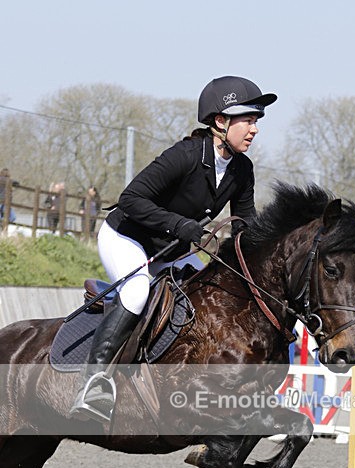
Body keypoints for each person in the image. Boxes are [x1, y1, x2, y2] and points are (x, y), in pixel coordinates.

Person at [70, 75, 277, 422]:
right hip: (129, 237)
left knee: (213, 290)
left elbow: (246, 224)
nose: (254, 129)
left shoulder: (243, 169)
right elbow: (130, 199)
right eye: (248, 120)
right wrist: (181, 225)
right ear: (220, 121)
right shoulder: (184, 155)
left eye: (256, 121)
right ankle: (94, 384)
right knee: (136, 292)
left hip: (175, 249)